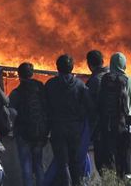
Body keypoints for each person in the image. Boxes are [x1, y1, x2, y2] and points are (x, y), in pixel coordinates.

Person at [45, 54, 93, 186]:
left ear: (58, 68)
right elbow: (89, 107)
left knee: (62, 163)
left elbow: (45, 107)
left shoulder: (50, 84)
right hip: (75, 130)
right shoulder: (80, 85)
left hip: (57, 129)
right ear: (72, 68)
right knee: (75, 162)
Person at [98, 52, 131, 179]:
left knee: (109, 163)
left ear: (111, 64)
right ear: (124, 65)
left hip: (108, 127)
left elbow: (100, 102)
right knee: (125, 163)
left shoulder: (105, 80)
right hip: (125, 128)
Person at [10, 62, 48, 186]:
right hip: (39, 133)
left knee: (26, 168)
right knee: (38, 165)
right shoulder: (41, 88)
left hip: (23, 135)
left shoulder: (16, 93)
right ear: (32, 74)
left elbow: (11, 113)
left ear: (18, 75)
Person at [85, 50, 109, 175]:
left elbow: (88, 106)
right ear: (103, 61)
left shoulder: (94, 81)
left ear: (89, 64)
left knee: (101, 165)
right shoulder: (114, 77)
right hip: (117, 126)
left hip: (100, 129)